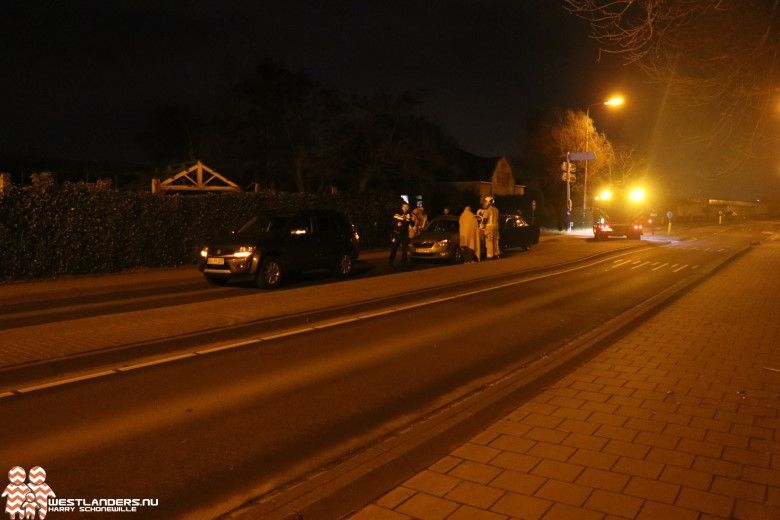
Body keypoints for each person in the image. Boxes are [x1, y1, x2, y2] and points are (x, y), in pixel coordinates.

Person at [389, 202, 415, 267]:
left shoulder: (409, 215)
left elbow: (412, 225)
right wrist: (396, 224)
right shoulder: (397, 214)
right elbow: (392, 223)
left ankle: (403, 263)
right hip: (397, 234)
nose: (405, 208)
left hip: (405, 235)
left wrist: (413, 220)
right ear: (402, 207)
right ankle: (391, 262)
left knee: (404, 249)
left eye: (407, 207)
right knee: (394, 249)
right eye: (404, 207)